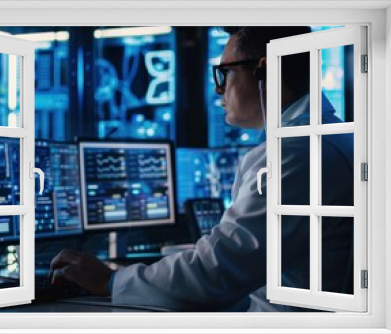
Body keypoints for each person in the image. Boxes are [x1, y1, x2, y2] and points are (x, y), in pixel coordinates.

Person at [49, 26, 354, 312]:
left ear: (266, 71)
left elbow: (216, 272)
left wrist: (109, 281)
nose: (219, 90)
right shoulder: (323, 137)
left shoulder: (296, 153)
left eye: (225, 74)